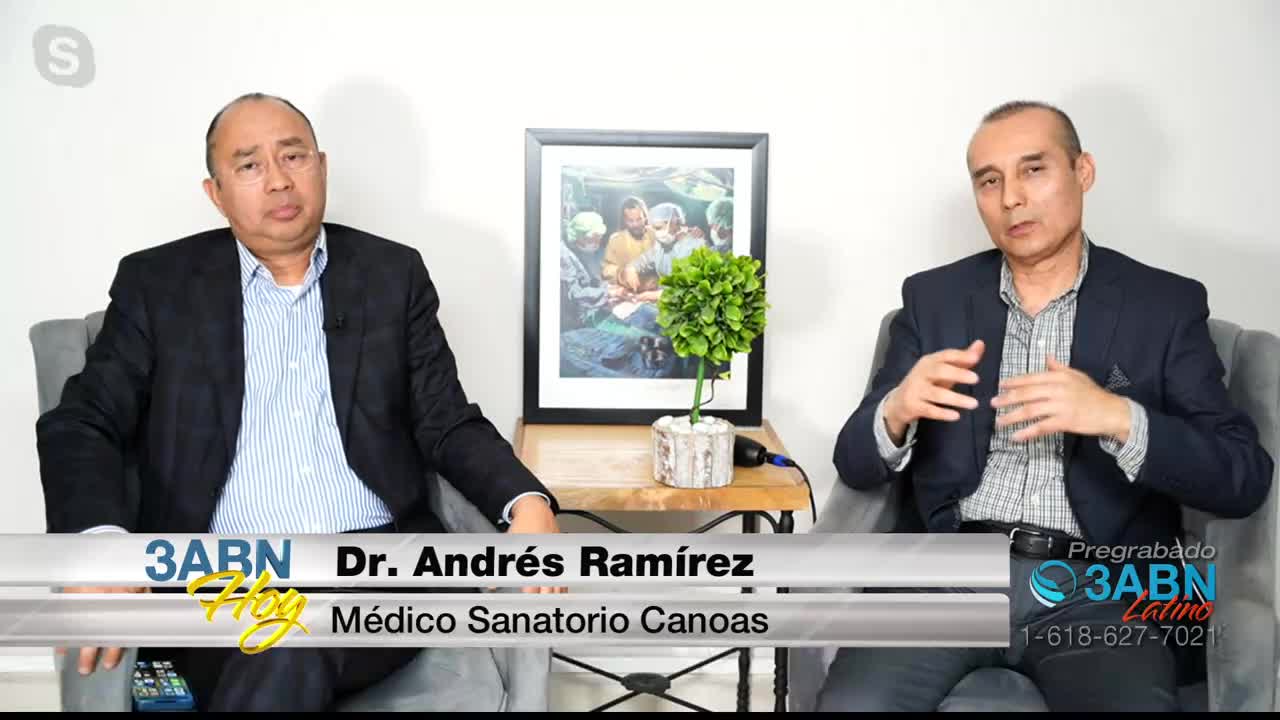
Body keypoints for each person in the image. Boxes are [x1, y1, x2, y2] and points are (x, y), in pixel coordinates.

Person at [35, 92, 564, 711]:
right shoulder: (159, 284)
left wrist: (528, 504)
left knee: (293, 639)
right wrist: (100, 544)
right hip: (213, 576)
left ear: (322, 166)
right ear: (216, 192)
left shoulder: (391, 275)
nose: (280, 180)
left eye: (294, 156)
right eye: (250, 165)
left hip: (371, 579)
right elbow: (82, 422)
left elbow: (445, 420)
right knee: (284, 644)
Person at [819, 100, 1273, 711]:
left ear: (1082, 171)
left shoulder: (1162, 307)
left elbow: (1241, 476)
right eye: (989, 180)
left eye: (1033, 170)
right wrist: (896, 410)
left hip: (1107, 588)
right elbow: (853, 462)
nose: (1010, 198)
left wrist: (1117, 417)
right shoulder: (934, 300)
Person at [600, 196, 656, 283]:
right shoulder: (616, 240)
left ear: (645, 217)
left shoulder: (655, 234)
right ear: (624, 220)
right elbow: (607, 269)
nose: (635, 225)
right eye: (631, 221)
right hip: (628, 291)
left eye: (639, 219)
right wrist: (622, 274)